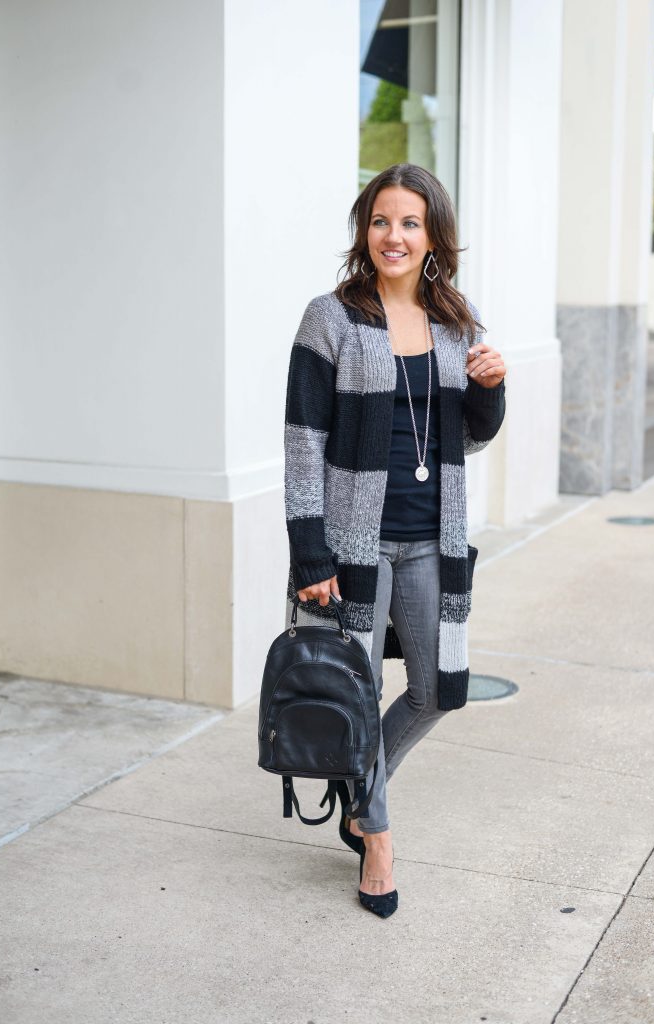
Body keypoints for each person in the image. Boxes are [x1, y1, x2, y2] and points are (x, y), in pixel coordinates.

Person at [283, 163, 507, 918]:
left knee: (440, 687)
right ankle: (375, 834)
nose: (394, 236)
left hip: (429, 540)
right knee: (358, 688)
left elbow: (467, 439)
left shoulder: (455, 319)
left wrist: (489, 387)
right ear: (363, 229)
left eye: (410, 222)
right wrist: (310, 554)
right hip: (354, 542)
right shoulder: (331, 318)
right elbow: (302, 442)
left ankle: (354, 785)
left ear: (433, 235)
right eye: (381, 220)